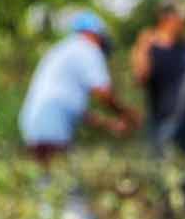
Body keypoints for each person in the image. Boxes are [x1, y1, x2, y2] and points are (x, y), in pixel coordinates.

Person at [18, 11, 140, 163]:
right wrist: (127, 114)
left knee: (47, 179)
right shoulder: (87, 49)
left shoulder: (63, 49)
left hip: (35, 123)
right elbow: (103, 93)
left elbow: (75, 109)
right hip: (51, 125)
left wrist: (109, 124)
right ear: (94, 34)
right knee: (59, 179)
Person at [132, 2, 185, 156]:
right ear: (166, 18)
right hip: (161, 120)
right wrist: (143, 49)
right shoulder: (149, 44)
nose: (184, 25)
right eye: (181, 20)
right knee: (159, 168)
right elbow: (139, 79)